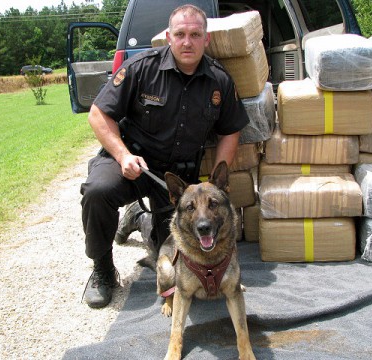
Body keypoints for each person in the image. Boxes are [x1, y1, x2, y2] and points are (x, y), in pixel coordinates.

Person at [80, 4, 250, 308]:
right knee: (97, 191)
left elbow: (231, 130)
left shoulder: (218, 80)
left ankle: (141, 218)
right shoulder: (141, 68)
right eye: (181, 34)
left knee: (170, 254)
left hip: (172, 180)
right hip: (132, 163)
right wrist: (122, 156)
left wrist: (214, 184)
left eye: (195, 35)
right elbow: (97, 114)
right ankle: (102, 269)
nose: (187, 42)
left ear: (206, 40)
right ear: (169, 37)